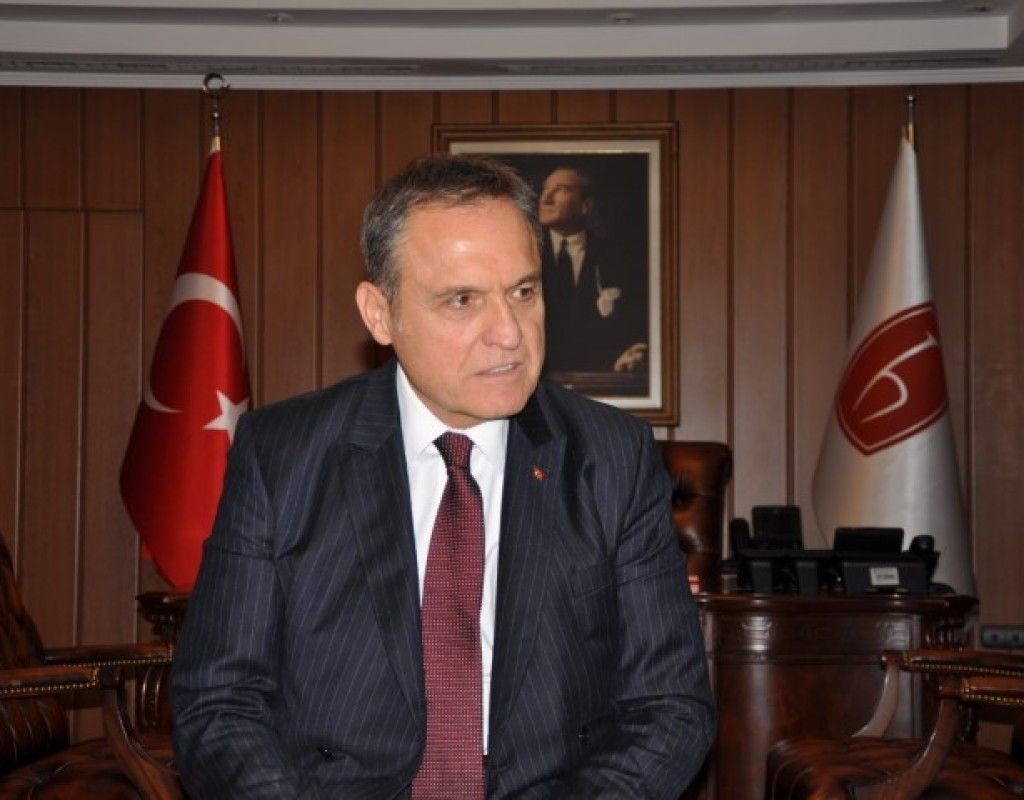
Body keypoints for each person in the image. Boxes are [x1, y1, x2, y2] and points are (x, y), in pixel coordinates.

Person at [170, 154, 714, 799]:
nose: (509, 334)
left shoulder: (611, 457)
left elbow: (670, 708)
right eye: (462, 300)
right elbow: (219, 702)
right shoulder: (283, 455)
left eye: (524, 292)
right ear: (380, 313)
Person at [538, 165, 647, 375]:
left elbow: (634, 325)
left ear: (585, 205)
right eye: (545, 189)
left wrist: (629, 353)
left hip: (601, 378)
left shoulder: (619, 258)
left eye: (561, 189)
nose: (546, 198)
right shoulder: (524, 255)